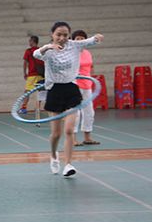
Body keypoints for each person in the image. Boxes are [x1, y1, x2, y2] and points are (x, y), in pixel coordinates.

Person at [33, 22, 103, 177]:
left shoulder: (74, 46)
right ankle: (53, 156)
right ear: (52, 35)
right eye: (58, 34)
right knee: (56, 134)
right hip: (54, 91)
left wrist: (97, 37)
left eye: (65, 35)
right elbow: (36, 54)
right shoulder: (48, 50)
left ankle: (68, 164)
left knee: (69, 130)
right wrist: (48, 47)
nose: (62, 38)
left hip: (71, 89)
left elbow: (90, 41)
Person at [72, 30, 100, 146]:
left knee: (89, 112)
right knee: (75, 113)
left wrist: (92, 78)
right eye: (77, 39)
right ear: (73, 40)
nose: (80, 41)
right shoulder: (71, 53)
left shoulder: (87, 53)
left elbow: (90, 66)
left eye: (82, 38)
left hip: (87, 85)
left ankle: (87, 137)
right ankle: (72, 139)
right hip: (75, 85)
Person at [21, 35, 44, 114]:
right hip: (41, 74)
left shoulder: (28, 51)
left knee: (27, 91)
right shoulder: (41, 50)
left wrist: (25, 73)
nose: (29, 42)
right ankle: (37, 108)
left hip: (32, 74)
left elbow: (25, 63)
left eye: (30, 41)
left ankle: (24, 108)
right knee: (40, 92)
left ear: (32, 41)